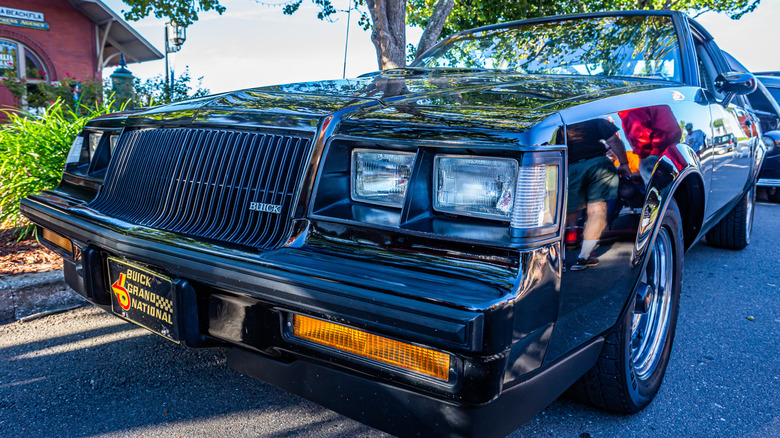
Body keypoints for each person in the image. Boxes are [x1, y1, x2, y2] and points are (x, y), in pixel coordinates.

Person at [566, 118, 631, 271]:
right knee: (596, 211)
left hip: (573, 168)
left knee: (569, 211)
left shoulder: (566, 126)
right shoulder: (597, 120)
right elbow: (614, 140)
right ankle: (583, 257)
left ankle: (560, 258)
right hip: (598, 165)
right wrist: (624, 164)